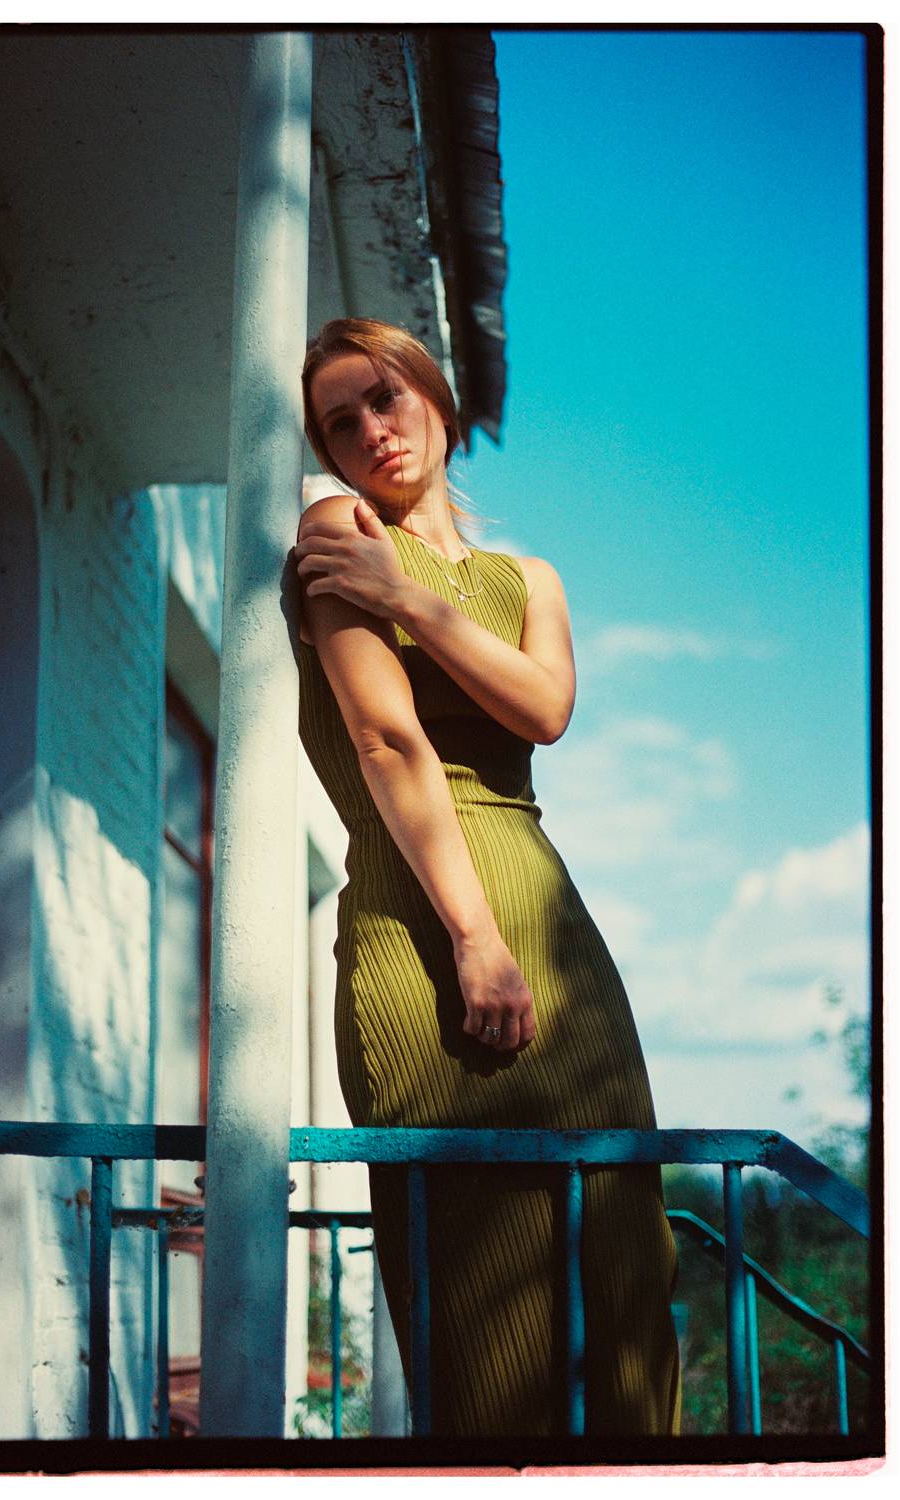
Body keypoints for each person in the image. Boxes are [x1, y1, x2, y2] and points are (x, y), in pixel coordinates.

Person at [291, 317, 681, 1437]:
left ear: (436, 400)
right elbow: (386, 742)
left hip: (548, 917)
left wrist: (410, 598)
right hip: (425, 920)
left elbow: (544, 709)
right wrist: (473, 938)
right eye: (340, 423)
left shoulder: (528, 578)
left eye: (386, 398)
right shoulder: (336, 529)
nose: (372, 431)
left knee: (621, 1241)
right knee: (478, 1277)